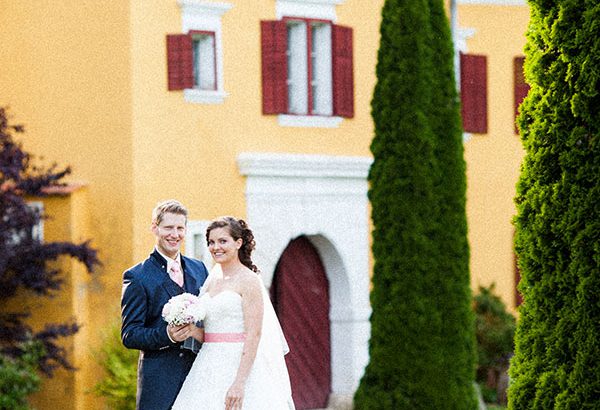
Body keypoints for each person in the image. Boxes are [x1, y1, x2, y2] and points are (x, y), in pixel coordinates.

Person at [172, 216, 294, 410]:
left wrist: (239, 383)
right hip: (208, 364)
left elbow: (254, 334)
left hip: (240, 365)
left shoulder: (249, 280)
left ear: (238, 243)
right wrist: (192, 331)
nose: (215, 247)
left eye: (223, 241)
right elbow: (213, 333)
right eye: (211, 242)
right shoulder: (212, 280)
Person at [121, 200, 209, 410]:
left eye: (180, 228)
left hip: (199, 375)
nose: (174, 234)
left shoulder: (200, 269)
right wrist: (167, 335)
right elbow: (129, 334)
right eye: (168, 227)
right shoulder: (137, 276)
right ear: (155, 228)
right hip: (159, 381)